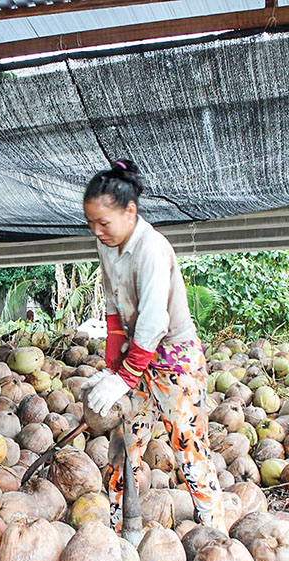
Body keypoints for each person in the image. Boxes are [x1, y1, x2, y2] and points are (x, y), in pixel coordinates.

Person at [81, 160, 226, 534]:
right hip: (136, 355)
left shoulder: (152, 249)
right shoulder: (108, 245)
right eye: (91, 223)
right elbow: (113, 300)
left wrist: (125, 375)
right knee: (125, 445)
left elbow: (153, 322)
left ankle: (214, 532)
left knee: (188, 447)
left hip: (174, 359)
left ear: (130, 211)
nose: (97, 231)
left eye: (104, 223)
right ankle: (120, 529)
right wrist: (115, 356)